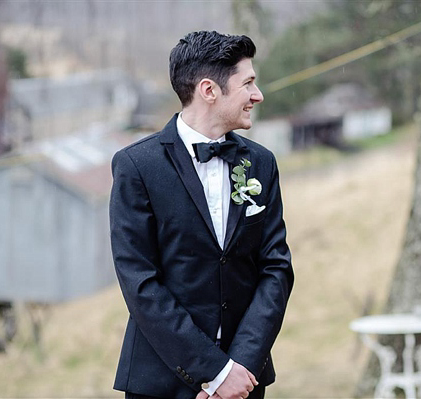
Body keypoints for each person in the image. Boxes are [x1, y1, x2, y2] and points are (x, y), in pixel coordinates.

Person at [109, 31, 294, 399]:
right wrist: (215, 372)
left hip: (245, 379)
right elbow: (140, 282)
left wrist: (238, 367)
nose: (257, 96)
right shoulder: (137, 166)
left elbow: (276, 269)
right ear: (209, 91)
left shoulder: (261, 163)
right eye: (248, 84)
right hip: (161, 382)